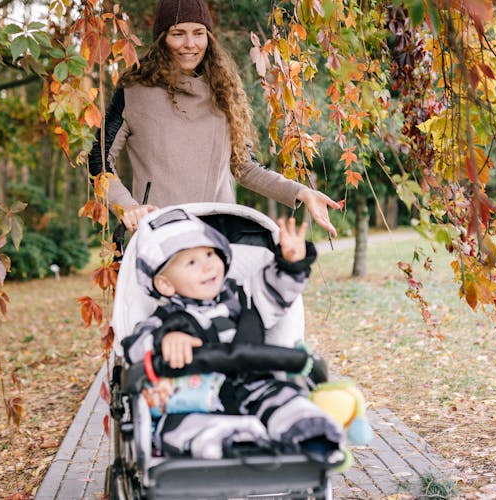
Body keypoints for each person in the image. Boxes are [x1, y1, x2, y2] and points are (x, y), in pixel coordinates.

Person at [87, 0, 342, 235]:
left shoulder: (224, 89)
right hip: (161, 235)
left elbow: (245, 167)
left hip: (220, 234)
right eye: (178, 34)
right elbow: (98, 157)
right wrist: (128, 207)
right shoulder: (135, 89)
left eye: (198, 33)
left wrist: (301, 192)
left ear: (208, 37)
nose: (190, 44)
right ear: (162, 38)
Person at [120, 207, 343, 459]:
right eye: (192, 262)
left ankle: (312, 436)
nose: (207, 266)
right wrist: (165, 340)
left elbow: (273, 291)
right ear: (165, 284)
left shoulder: (243, 296)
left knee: (288, 401)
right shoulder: (165, 319)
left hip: (255, 385)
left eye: (209, 254)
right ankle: (238, 442)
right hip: (195, 400)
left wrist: (291, 264)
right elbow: (134, 346)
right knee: (179, 428)